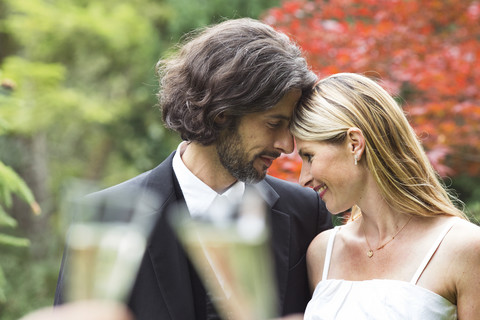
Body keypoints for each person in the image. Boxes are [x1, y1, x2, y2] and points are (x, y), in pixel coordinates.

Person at [54, 18, 333, 319]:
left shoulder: (306, 213)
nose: (286, 145)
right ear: (222, 113)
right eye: (273, 124)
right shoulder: (104, 221)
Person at [290, 72, 480, 319]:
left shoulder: (463, 248)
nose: (302, 178)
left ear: (354, 144)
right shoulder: (322, 252)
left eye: (309, 156)